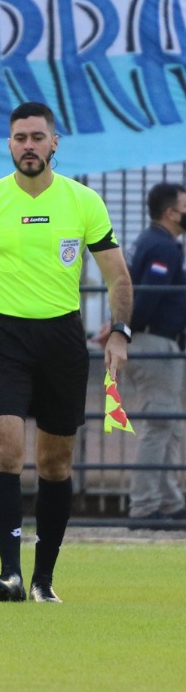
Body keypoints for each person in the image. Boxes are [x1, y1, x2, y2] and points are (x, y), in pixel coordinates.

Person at [0, 101, 132, 604]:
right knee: (5, 449)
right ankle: (8, 572)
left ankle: (42, 580)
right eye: (19, 137)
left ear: (55, 143)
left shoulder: (83, 202)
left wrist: (121, 331)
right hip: (5, 339)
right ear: (9, 144)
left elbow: (117, 275)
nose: (28, 146)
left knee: (55, 463)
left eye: (37, 137)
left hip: (62, 341)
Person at [123, 182, 186, 524]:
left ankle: (168, 502)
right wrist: (126, 327)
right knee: (159, 424)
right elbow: (148, 296)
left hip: (154, 342)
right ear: (170, 212)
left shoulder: (152, 241)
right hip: (155, 343)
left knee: (169, 425)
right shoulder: (164, 247)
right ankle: (145, 506)